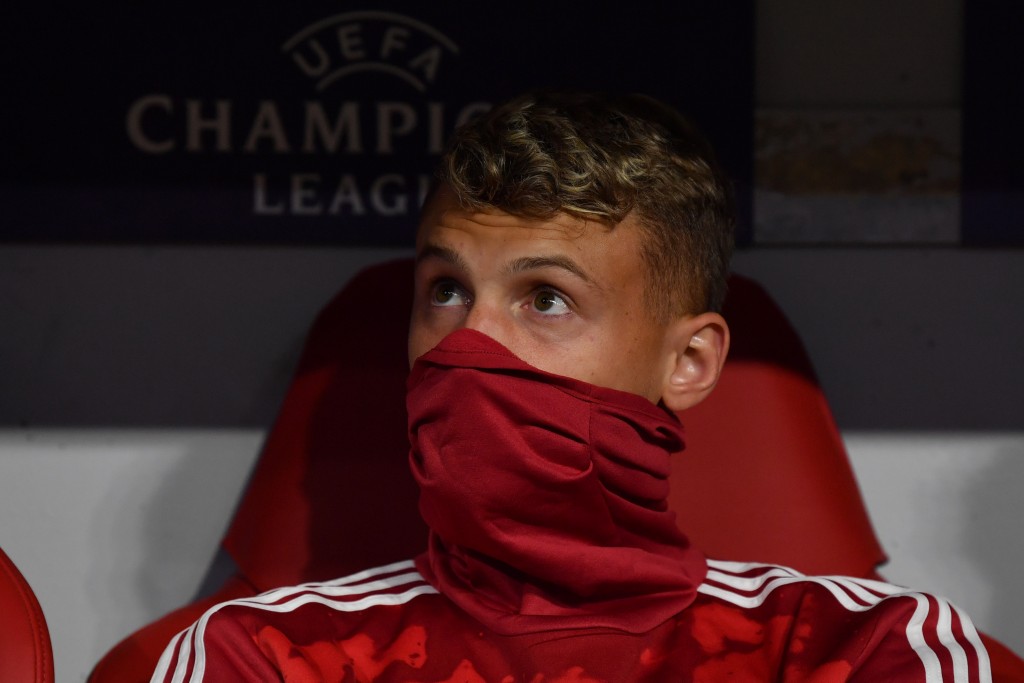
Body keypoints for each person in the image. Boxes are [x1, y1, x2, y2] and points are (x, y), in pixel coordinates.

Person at [151, 91, 991, 682]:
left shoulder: (860, 646)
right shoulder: (263, 653)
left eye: (545, 298)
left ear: (689, 361)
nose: (468, 344)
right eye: (446, 290)